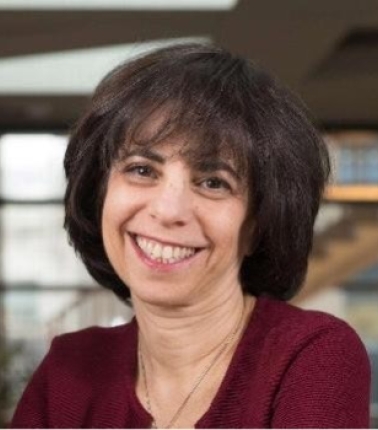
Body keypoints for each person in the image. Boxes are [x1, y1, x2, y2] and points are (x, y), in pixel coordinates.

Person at [11, 42, 371, 429]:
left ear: (257, 225)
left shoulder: (314, 357)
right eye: (142, 170)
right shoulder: (69, 369)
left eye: (214, 182)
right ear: (100, 192)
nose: (168, 211)